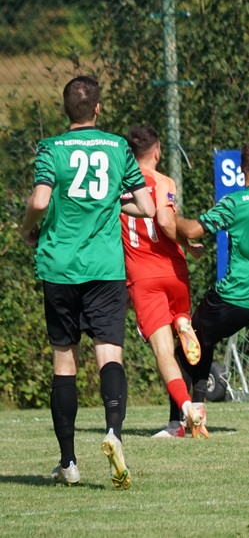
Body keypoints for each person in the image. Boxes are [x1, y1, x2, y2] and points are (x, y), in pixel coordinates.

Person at [20, 75, 156, 489]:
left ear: (66, 110)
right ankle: (114, 432)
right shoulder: (118, 147)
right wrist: (113, 201)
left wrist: (27, 228)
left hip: (60, 266)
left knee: (65, 361)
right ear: (98, 108)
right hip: (105, 268)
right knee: (109, 354)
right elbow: (147, 206)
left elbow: (40, 200)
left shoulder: (51, 148)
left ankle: (69, 463)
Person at [174, 140, 249, 420]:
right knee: (204, 338)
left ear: (241, 168)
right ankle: (199, 410)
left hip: (236, 294)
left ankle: (178, 421)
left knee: (182, 350)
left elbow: (191, 231)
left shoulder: (235, 203)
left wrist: (168, 215)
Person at [119, 124, 208, 439]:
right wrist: (189, 246)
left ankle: (185, 410)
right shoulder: (162, 181)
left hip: (143, 278)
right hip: (174, 272)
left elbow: (162, 220)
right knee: (180, 336)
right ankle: (182, 319)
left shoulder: (117, 183)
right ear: (156, 152)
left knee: (164, 353)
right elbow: (167, 221)